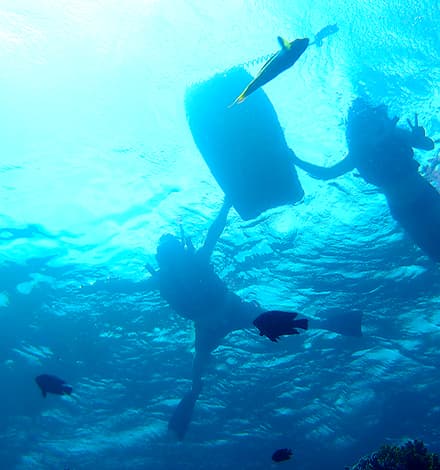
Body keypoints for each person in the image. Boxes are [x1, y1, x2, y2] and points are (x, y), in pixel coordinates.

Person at [84, 198, 362, 439]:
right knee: (208, 360)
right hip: (218, 319)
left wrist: (99, 285)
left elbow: (211, 233)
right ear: (168, 255)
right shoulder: (170, 274)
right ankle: (329, 323)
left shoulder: (171, 273)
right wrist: (226, 202)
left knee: (221, 352)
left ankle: (330, 323)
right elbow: (212, 233)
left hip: (225, 313)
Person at [291, 98, 439, 262]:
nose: (370, 129)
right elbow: (327, 173)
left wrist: (419, 137)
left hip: (422, 200)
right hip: (408, 209)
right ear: (356, 130)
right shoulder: (360, 152)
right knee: (435, 252)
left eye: (371, 121)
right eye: (364, 125)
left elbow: (428, 146)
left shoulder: (394, 134)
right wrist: (296, 160)